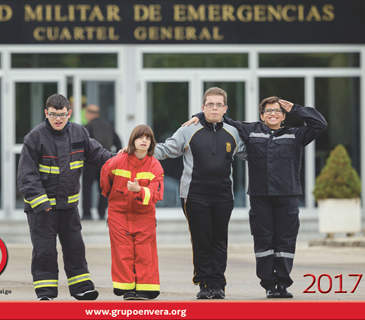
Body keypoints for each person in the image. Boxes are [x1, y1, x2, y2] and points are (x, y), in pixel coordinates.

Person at [185, 97, 327, 298]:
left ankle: (283, 284)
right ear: (262, 115)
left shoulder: (295, 135)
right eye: (268, 111)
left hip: (287, 197)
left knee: (285, 242)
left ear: (283, 116)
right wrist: (199, 116)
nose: (273, 114)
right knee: (264, 241)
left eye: (277, 111)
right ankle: (269, 284)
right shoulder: (251, 131)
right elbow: (223, 120)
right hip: (261, 198)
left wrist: (296, 109)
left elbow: (320, 124)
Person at [17, 93, 115, 301]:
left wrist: (122, 160)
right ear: (46, 113)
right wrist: (41, 202)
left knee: (75, 248)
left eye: (62, 115)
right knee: (45, 251)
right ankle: (46, 292)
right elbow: (27, 176)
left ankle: (82, 288)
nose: (58, 119)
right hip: (42, 209)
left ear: (69, 113)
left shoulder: (79, 132)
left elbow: (99, 156)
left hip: (69, 207)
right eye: (53, 115)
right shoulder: (34, 138)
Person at [153, 87, 247, 299]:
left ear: (225, 109)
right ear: (202, 108)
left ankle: (218, 285)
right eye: (210, 104)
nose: (214, 108)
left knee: (219, 240)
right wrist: (140, 149)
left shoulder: (233, 132)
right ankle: (204, 284)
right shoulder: (188, 130)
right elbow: (168, 149)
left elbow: (252, 152)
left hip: (224, 196)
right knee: (202, 240)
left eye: (218, 105)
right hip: (195, 195)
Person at [100, 124, 164, 300]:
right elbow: (105, 177)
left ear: (151, 142)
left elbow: (157, 193)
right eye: (140, 137)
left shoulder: (155, 165)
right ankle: (127, 288)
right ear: (132, 141)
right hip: (118, 213)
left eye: (147, 138)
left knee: (144, 252)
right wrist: (110, 195)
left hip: (144, 215)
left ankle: (145, 289)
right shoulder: (117, 161)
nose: (144, 140)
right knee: (123, 251)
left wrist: (139, 190)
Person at [82, 104, 122, 220]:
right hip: (105, 162)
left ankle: (87, 214)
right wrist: (115, 158)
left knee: (87, 188)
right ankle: (101, 214)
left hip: (90, 163)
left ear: (89, 113)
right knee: (104, 189)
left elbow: (83, 145)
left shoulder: (87, 127)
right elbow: (118, 142)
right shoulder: (108, 126)